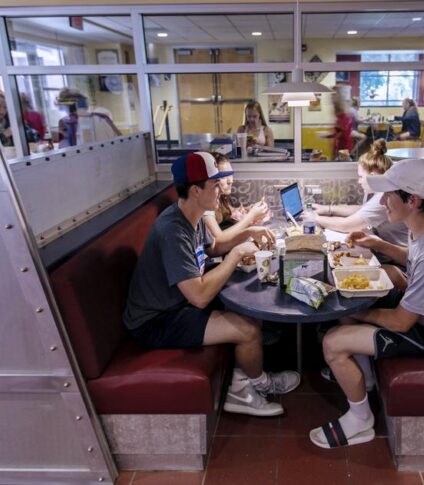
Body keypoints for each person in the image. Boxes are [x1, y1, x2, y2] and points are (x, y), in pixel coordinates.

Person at [309, 159, 424, 448]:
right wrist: (378, 244)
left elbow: (402, 322)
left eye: (389, 194)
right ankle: (367, 381)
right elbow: (413, 258)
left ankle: (361, 421)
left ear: (412, 200)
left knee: (333, 342)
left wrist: (358, 310)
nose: (382, 201)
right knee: (358, 299)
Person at [123, 152, 300, 417]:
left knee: (251, 304)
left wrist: (248, 233)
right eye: (215, 185)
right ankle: (251, 389)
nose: (220, 191)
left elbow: (214, 246)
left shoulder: (192, 216)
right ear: (196, 190)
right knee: (248, 330)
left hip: (177, 303)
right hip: (155, 321)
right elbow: (200, 297)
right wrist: (237, 254)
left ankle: (244, 380)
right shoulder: (172, 230)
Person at [312, 139, 407, 257]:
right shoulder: (382, 194)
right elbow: (362, 210)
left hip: (401, 258)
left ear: (372, 177)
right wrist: (328, 209)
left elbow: (346, 225)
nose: (359, 181)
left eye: (361, 177)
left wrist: (315, 218)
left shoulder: (383, 198)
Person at [203, 152, 270, 243]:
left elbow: (231, 212)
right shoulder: (206, 205)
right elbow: (218, 240)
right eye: (223, 176)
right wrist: (251, 216)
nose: (230, 181)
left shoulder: (222, 197)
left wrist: (247, 210)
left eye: (230, 174)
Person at [56, 88, 122, 148]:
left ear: (65, 106)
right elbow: (121, 138)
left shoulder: (66, 122)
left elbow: (64, 152)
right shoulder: (103, 117)